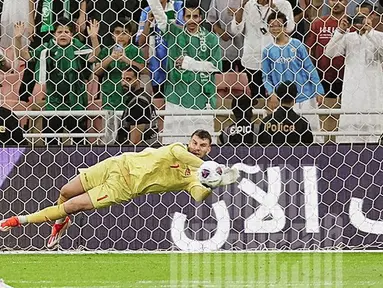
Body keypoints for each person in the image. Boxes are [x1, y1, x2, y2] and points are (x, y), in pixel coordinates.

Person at [0, 130, 240, 249]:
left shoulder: (194, 179)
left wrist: (211, 184)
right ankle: (61, 223)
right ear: (190, 142)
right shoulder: (178, 148)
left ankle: (14, 221)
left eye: (203, 146)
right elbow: (181, 155)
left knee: (72, 206)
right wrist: (213, 168)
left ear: (209, 149)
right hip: (117, 163)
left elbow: (199, 196)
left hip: (123, 187)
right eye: (195, 143)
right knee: (65, 191)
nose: (196, 148)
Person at [14, 18, 101, 145]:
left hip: (75, 100)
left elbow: (94, 56)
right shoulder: (47, 48)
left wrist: (94, 37)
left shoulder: (77, 46)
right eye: (60, 32)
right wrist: (18, 38)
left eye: (67, 31)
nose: (63, 34)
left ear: (72, 34)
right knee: (51, 141)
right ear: (54, 34)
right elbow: (24, 56)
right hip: (54, 101)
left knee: (79, 141)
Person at [147, 0, 222, 144]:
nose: (192, 21)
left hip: (202, 99)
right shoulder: (175, 33)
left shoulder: (211, 39)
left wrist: (189, 63)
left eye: (195, 17)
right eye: (188, 17)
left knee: (201, 146)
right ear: (183, 18)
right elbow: (161, 18)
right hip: (176, 97)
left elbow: (216, 66)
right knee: (174, 145)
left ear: (201, 18)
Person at [262, 12, 324, 134]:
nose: (275, 28)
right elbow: (266, 76)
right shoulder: (268, 51)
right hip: (283, 100)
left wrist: (319, 89)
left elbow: (309, 67)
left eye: (278, 25)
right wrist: (272, 93)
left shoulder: (297, 44)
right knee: (287, 135)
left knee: (313, 132)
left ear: (285, 27)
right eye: (271, 26)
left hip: (305, 95)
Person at [324, 14, 383, 142]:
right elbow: (329, 53)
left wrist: (369, 33)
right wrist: (340, 31)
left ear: (371, 18)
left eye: (364, 18)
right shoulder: (348, 38)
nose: (361, 21)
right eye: (357, 18)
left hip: (373, 89)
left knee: (373, 126)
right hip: (352, 89)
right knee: (351, 127)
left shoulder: (378, 36)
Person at [19, 0, 88, 103]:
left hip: (68, 20)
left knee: (72, 58)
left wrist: (82, 15)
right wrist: (31, 21)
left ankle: (72, 96)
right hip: (45, 21)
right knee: (33, 58)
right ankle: (24, 96)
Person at [231, 0, 295, 104]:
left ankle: (277, 119)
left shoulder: (283, 4)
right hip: (253, 61)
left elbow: (289, 28)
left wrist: (276, 10)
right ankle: (260, 119)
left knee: (279, 96)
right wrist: (242, 7)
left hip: (276, 59)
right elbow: (235, 30)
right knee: (257, 98)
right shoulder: (248, 4)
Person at [137, 0, 183, 139]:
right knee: (160, 105)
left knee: (178, 103)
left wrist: (165, 19)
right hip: (157, 66)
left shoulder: (178, 6)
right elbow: (140, 42)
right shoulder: (146, 11)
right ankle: (163, 138)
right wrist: (148, 23)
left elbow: (184, 32)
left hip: (177, 64)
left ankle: (179, 136)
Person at [305, 0, 347, 143]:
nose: (337, 3)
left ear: (347, 2)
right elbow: (309, 51)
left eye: (341, 0)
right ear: (328, 2)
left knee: (344, 117)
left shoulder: (352, 25)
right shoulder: (318, 23)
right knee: (325, 116)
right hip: (324, 77)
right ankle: (327, 147)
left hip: (347, 78)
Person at [95, 19, 145, 111]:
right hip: (109, 99)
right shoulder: (107, 50)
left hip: (130, 99)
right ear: (112, 35)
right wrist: (110, 58)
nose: (121, 36)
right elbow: (97, 72)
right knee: (109, 125)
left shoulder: (135, 50)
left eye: (124, 33)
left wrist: (127, 60)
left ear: (130, 35)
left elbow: (144, 70)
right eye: (117, 32)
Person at [118, 67, 158, 145]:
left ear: (138, 80)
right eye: (122, 79)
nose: (124, 83)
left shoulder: (138, 103)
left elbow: (135, 142)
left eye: (128, 79)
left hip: (140, 153)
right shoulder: (143, 97)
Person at [207, 0, 244, 73]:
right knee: (225, 81)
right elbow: (211, 19)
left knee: (245, 81)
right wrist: (220, 31)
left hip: (244, 50)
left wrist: (239, 14)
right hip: (224, 50)